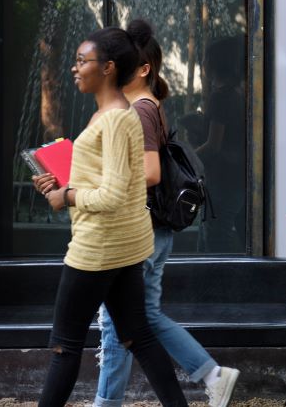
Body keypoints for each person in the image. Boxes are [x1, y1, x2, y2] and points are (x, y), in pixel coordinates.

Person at [31, 27, 187, 407]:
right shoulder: (112, 114)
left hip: (98, 250)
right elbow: (115, 179)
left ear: (109, 68)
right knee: (138, 336)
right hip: (123, 247)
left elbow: (115, 194)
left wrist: (66, 196)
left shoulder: (117, 119)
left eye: (83, 61)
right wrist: (62, 181)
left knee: (63, 347)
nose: (75, 68)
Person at [94, 20, 240, 407]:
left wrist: (97, 184)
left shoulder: (140, 111)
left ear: (142, 69)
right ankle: (213, 374)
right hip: (155, 232)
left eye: (117, 65)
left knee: (115, 323)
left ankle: (105, 403)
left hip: (138, 231)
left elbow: (151, 173)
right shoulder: (150, 106)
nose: (109, 72)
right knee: (145, 316)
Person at [197, 35, 247, 253]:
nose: (203, 63)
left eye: (206, 58)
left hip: (222, 181)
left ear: (216, 63)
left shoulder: (220, 97)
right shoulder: (238, 94)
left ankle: (219, 285)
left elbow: (213, 146)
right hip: (236, 179)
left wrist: (185, 158)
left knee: (217, 239)